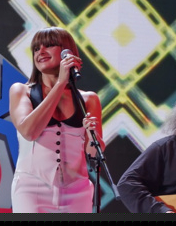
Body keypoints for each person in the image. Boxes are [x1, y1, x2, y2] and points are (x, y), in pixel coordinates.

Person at [9, 27, 105, 213]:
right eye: (36, 48)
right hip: (32, 189)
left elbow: (93, 153)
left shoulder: (89, 99)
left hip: (77, 191)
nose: (41, 51)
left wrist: (93, 136)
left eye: (49, 45)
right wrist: (60, 83)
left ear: (67, 52)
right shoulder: (21, 91)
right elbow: (29, 132)